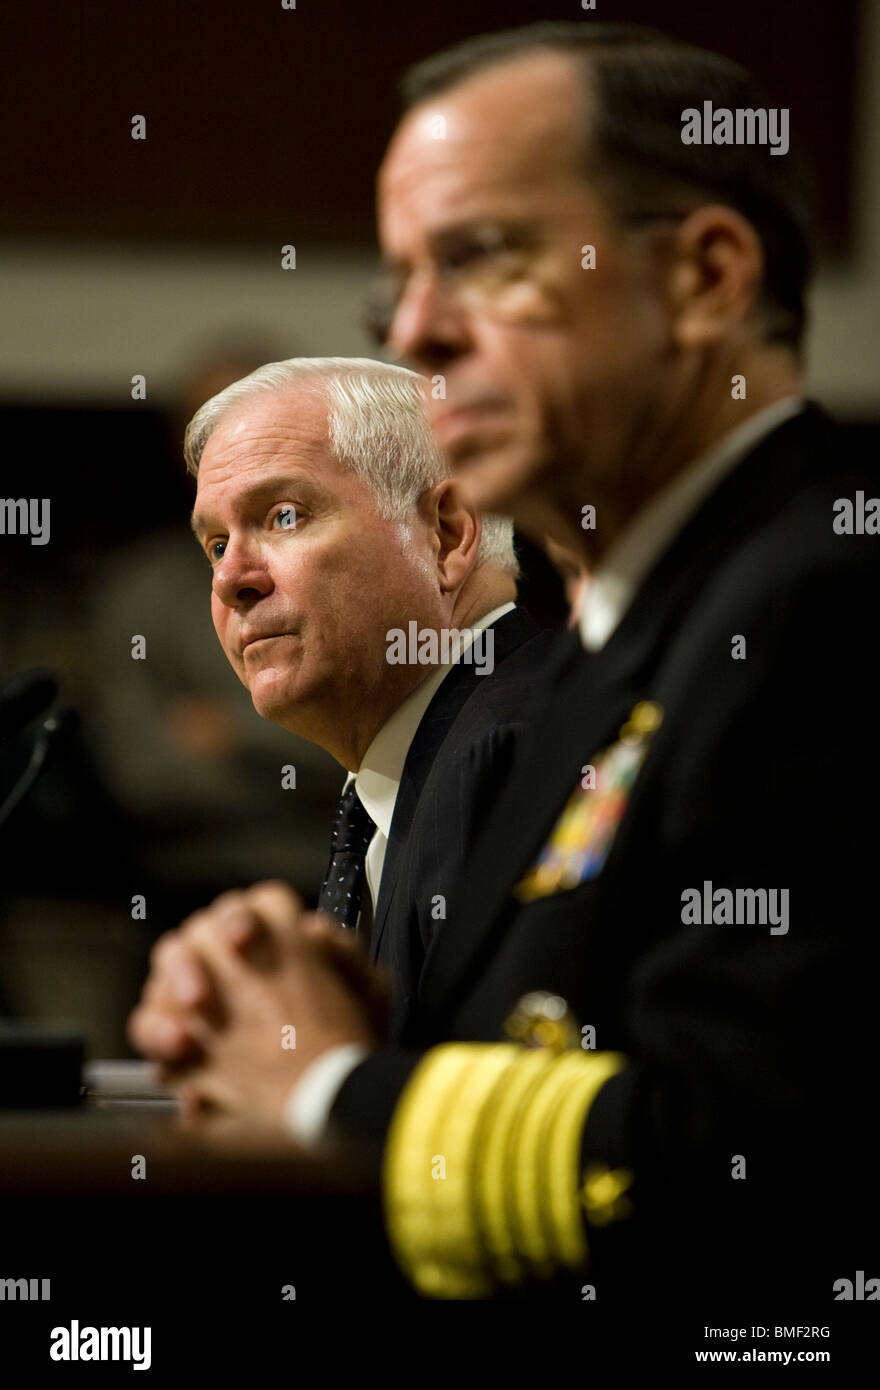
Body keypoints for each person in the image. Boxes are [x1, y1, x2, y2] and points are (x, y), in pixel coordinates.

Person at [128, 24, 879, 1306]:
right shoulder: (623, 638)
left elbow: (762, 1173)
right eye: (400, 290)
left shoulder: (833, 599)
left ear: (702, 277)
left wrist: (319, 1089)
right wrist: (335, 1016)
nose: (419, 330)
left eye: (482, 260)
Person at [128, 356, 552, 1107]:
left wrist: (313, 1094)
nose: (231, 580)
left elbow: (479, 1139)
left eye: (283, 516)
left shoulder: (502, 753)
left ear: (447, 533)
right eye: (216, 544)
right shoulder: (429, 754)